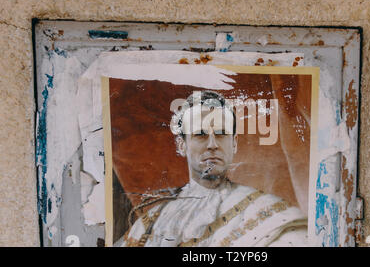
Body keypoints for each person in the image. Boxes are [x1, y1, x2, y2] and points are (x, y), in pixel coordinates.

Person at [120, 91, 308, 247]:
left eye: (221, 134)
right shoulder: (150, 223)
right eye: (200, 135)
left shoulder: (268, 212)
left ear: (233, 144)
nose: (212, 145)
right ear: (182, 145)